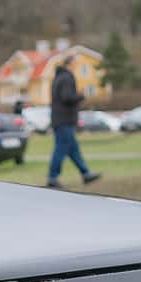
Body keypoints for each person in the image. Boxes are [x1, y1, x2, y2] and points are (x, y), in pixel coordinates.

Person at [47, 58, 101, 190]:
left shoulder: (58, 77)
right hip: (64, 120)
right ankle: (52, 178)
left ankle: (85, 173)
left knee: (73, 149)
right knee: (61, 148)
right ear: (69, 64)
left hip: (60, 119)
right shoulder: (67, 78)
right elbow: (67, 97)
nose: (76, 66)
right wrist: (80, 95)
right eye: (75, 64)